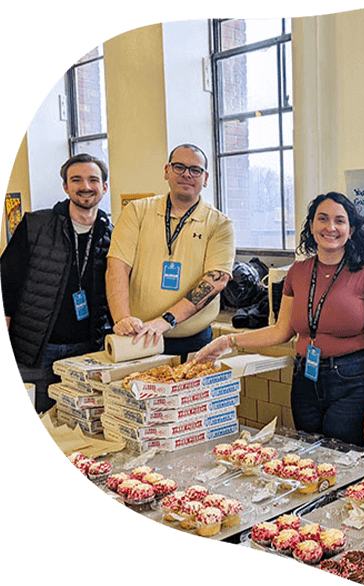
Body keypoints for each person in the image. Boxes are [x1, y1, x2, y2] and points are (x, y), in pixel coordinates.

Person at [194, 192, 364, 446]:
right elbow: (280, 332)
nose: (331, 227)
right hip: (305, 380)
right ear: (311, 226)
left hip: (351, 382)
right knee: (308, 454)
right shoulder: (298, 271)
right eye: (323, 219)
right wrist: (227, 342)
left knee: (340, 459)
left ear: (351, 230)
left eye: (340, 221)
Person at [2, 154, 112, 412]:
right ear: (65, 186)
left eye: (93, 180)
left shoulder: (111, 234)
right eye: (76, 179)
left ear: (104, 187)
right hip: (35, 351)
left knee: (79, 426)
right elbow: (6, 284)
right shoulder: (35, 225)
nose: (85, 186)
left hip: (86, 352)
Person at [106, 144, 235, 359]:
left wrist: (166, 320)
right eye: (179, 167)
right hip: (139, 339)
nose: (186, 174)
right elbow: (116, 267)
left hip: (194, 342)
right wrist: (122, 319)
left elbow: (216, 280)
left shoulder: (219, 224)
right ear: (167, 171)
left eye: (195, 170)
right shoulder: (137, 211)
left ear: (205, 178)